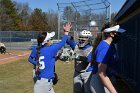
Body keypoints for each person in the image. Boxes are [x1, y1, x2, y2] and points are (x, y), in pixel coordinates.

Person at [28, 22, 72, 93]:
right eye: (50, 39)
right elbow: (62, 42)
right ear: (46, 41)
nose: (52, 40)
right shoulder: (50, 49)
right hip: (43, 84)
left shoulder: (41, 49)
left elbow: (48, 61)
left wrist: (57, 58)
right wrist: (66, 32)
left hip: (45, 83)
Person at [90, 23, 126, 93]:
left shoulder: (111, 45)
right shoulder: (104, 47)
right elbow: (101, 73)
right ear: (111, 34)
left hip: (107, 79)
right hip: (99, 81)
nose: (119, 35)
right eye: (118, 33)